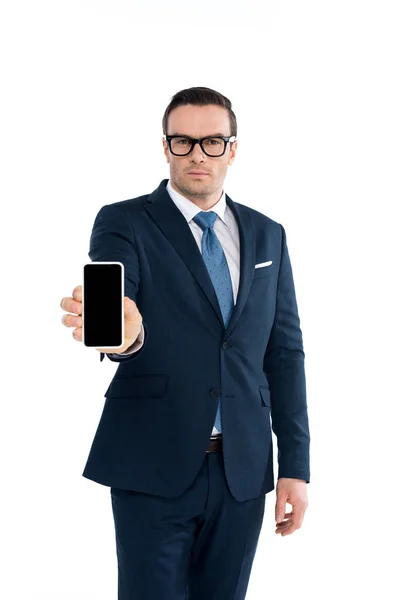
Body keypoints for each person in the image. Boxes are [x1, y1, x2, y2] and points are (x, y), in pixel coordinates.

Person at [60, 86, 310, 600]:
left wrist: (297, 467)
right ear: (166, 146)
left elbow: (284, 354)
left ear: (233, 149)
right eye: (183, 141)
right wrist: (127, 333)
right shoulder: (125, 221)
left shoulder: (269, 235)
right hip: (152, 461)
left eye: (213, 141)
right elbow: (121, 297)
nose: (198, 154)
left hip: (242, 470)